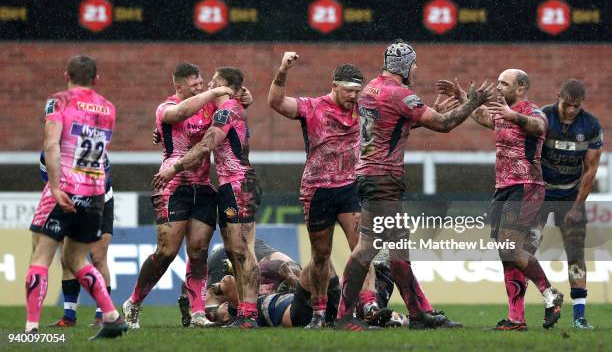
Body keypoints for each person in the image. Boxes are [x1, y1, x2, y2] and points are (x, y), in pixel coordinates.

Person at [334, 40, 495, 331]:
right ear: (406, 66)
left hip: (369, 175)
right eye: (414, 64)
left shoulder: (372, 88)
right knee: (374, 249)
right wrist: (473, 101)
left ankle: (416, 315)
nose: (416, 69)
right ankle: (345, 318)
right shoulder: (401, 94)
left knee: (386, 248)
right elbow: (444, 124)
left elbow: (391, 125)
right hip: (383, 179)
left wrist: (424, 113)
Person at [267, 52, 390, 328]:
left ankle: (368, 302)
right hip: (317, 191)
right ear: (334, 85)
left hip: (350, 187)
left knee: (362, 247)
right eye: (348, 91)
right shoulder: (312, 107)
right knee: (320, 256)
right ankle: (320, 312)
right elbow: (275, 102)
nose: (354, 97)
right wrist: (283, 69)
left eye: (358, 91)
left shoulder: (364, 110)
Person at [122, 63, 233, 329]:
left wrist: (244, 96)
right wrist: (211, 93)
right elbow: (181, 113)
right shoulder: (165, 107)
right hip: (172, 184)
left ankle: (197, 313)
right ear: (178, 87)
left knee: (198, 251)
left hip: (203, 186)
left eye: (201, 83)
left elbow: (236, 104)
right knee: (166, 251)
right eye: (193, 85)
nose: (199, 88)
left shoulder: (211, 106)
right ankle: (133, 302)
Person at [153, 67, 262, 329]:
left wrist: (174, 169)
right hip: (227, 185)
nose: (208, 87)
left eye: (214, 83)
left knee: (243, 251)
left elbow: (205, 145)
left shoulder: (226, 111)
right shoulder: (224, 110)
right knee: (234, 251)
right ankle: (242, 312)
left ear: (224, 88)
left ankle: (249, 315)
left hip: (239, 184)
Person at [26, 55, 126, 339]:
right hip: (95, 192)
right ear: (96, 79)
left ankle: (30, 329)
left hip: (67, 185)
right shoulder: (108, 107)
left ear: (66, 73)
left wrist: (55, 187)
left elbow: (52, 144)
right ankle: (112, 316)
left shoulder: (58, 101)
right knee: (78, 260)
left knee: (41, 256)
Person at [466, 69, 564, 331]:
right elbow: (484, 117)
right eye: (497, 82)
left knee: (510, 247)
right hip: (503, 189)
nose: (498, 87)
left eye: (504, 83)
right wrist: (466, 100)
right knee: (506, 253)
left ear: (520, 88)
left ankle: (550, 293)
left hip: (526, 186)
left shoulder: (532, 112)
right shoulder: (500, 112)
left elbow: (540, 127)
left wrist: (514, 116)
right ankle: (516, 319)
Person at [507, 79, 602, 329]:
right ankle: (528, 310)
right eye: (567, 104)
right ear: (557, 95)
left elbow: (591, 170)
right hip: (540, 196)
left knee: (575, 255)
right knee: (524, 252)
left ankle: (580, 318)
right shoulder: (544, 117)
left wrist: (577, 206)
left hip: (570, 197)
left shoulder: (591, 125)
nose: (571, 110)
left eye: (576, 106)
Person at [39, 153, 114, 327]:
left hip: (99, 200)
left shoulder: (93, 145)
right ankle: (69, 317)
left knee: (98, 257)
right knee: (67, 259)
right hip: (69, 202)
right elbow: (49, 182)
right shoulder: (47, 154)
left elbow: (105, 180)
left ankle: (102, 314)